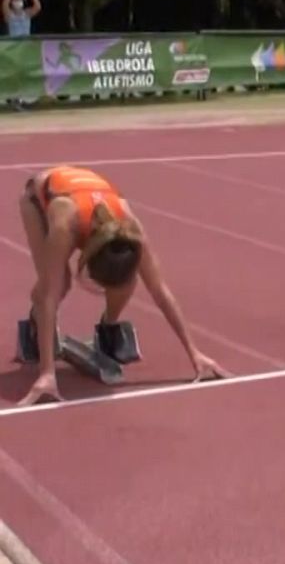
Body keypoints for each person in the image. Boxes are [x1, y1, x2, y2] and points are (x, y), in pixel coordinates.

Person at [16, 166, 227, 405]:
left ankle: (108, 327)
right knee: (59, 283)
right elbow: (48, 296)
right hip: (39, 201)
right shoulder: (65, 225)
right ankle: (36, 323)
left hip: (86, 199)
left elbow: (160, 290)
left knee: (126, 282)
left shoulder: (131, 230)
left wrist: (195, 354)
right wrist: (47, 374)